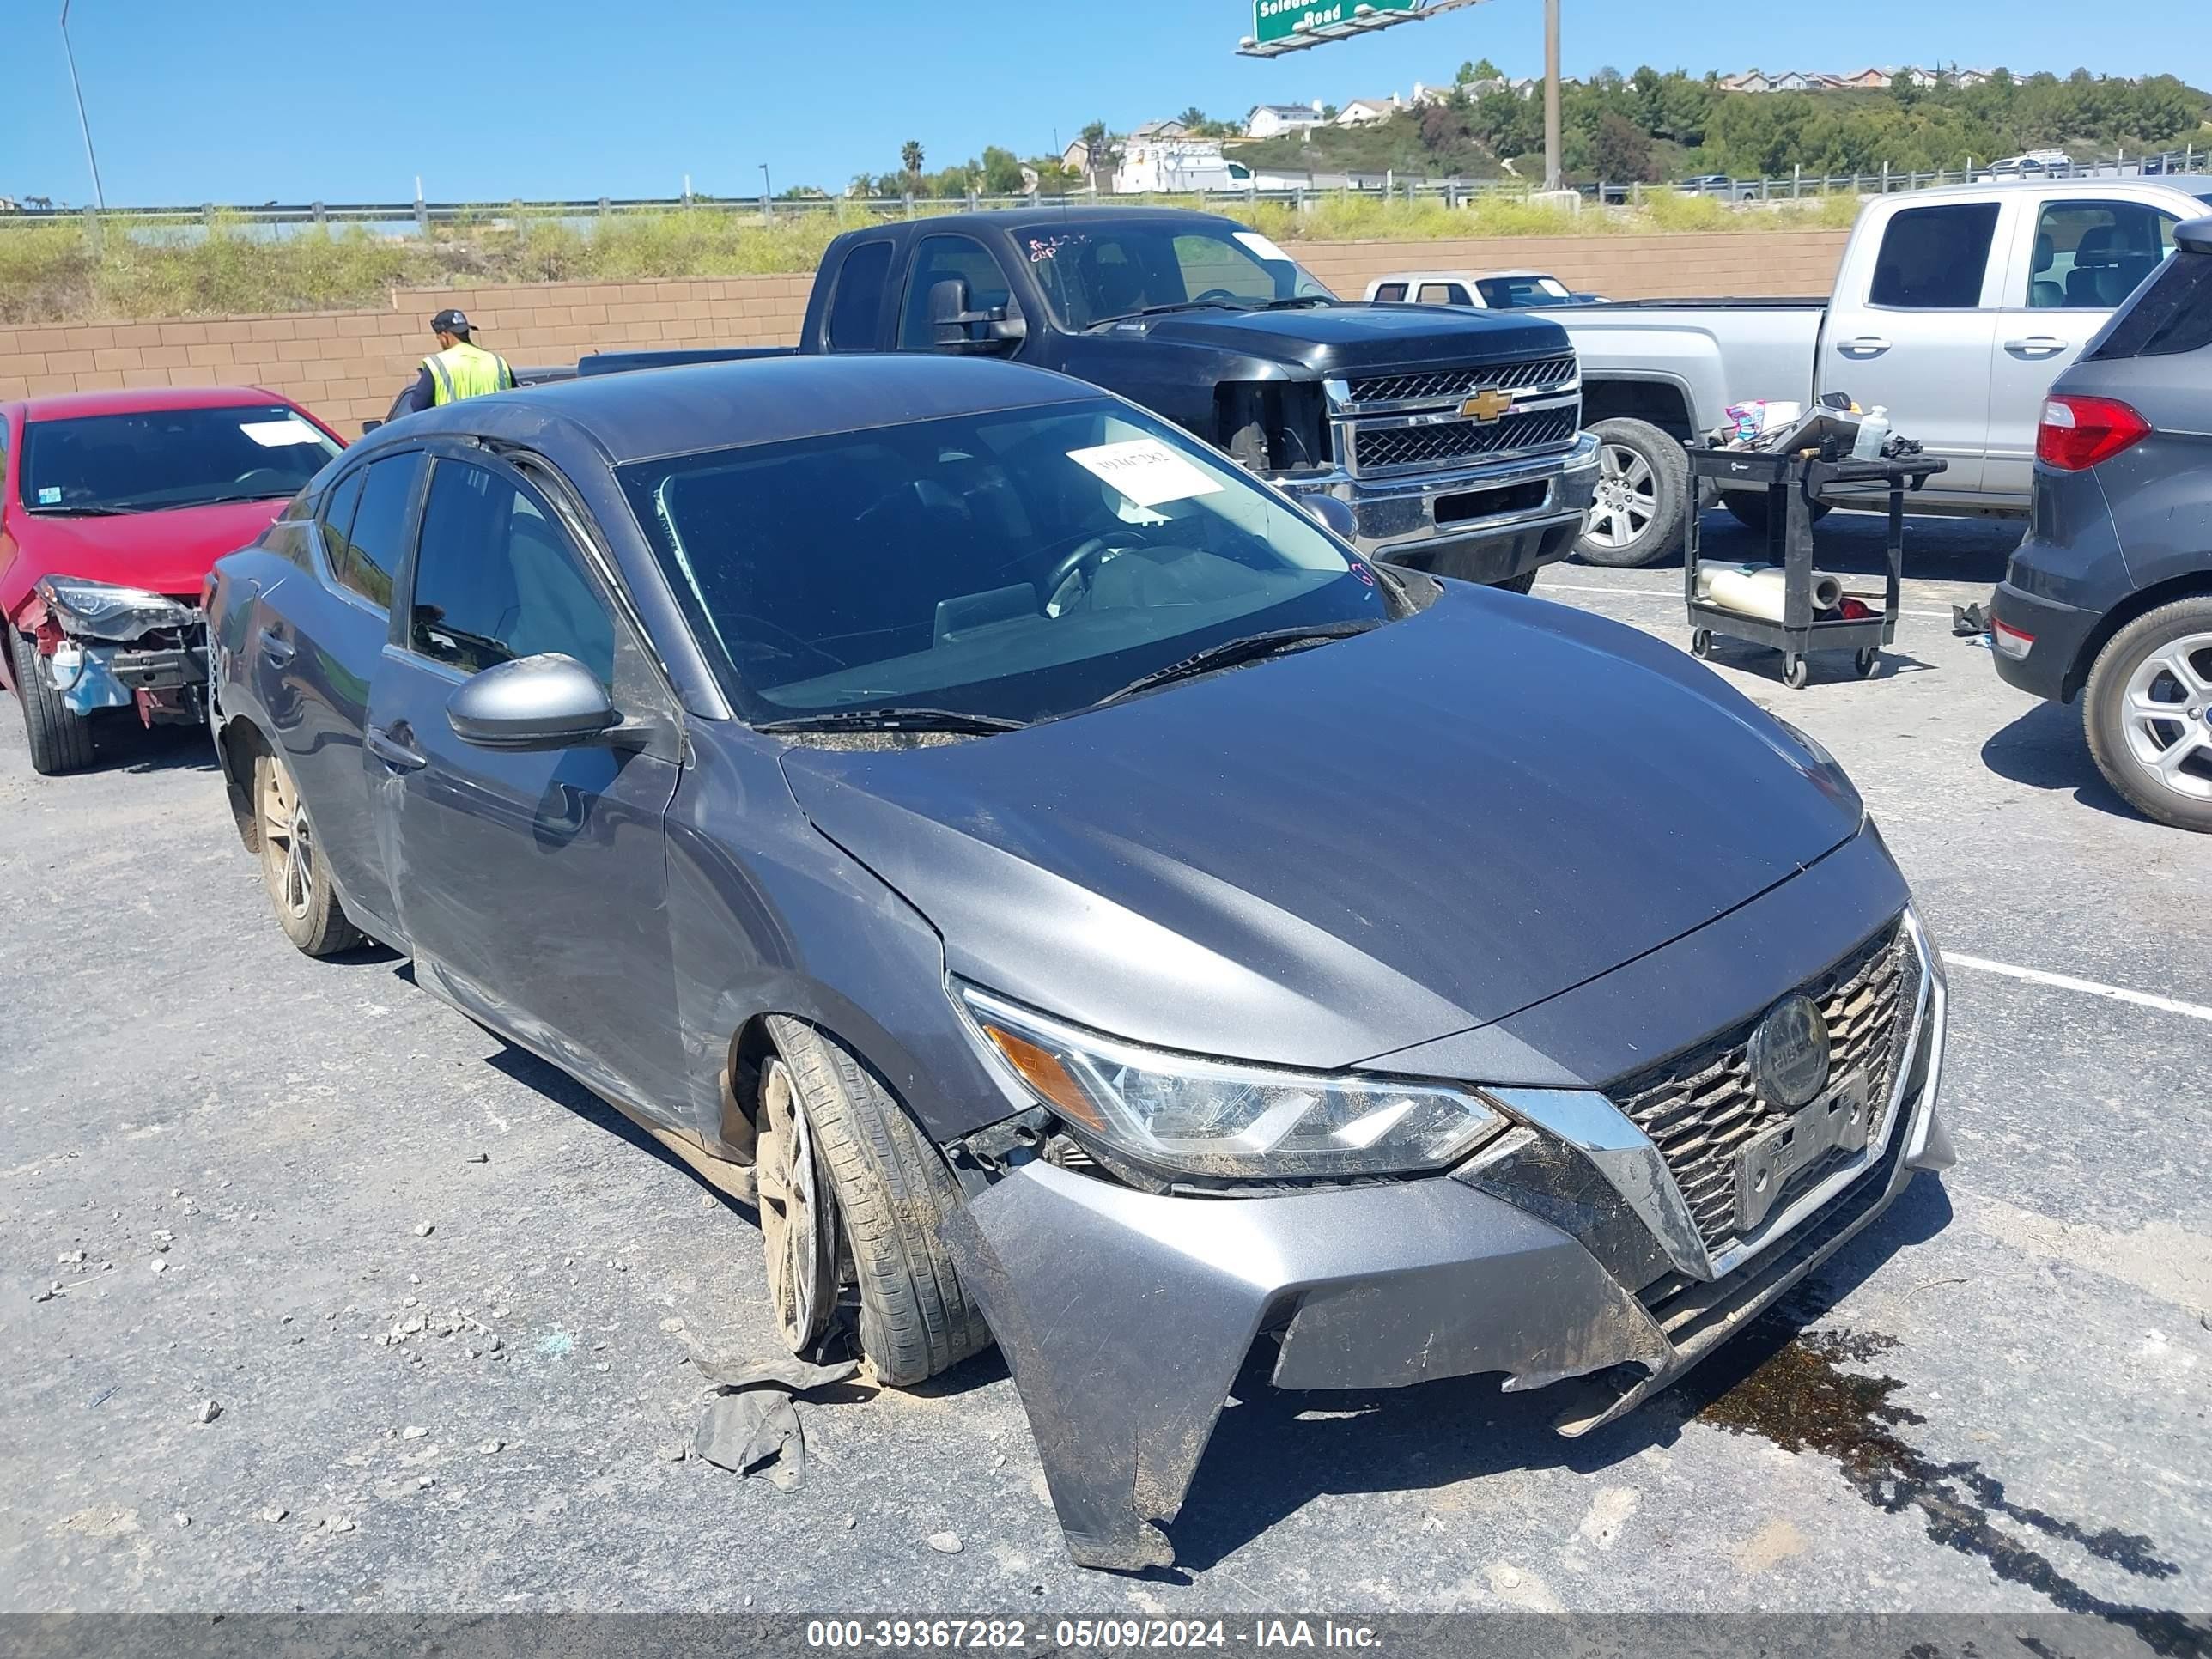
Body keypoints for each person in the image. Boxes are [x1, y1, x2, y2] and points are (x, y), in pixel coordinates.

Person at [391, 308, 515, 416]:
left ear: (445, 335)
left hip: (455, 436)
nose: (438, 340)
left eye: (438, 336)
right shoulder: (497, 361)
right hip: (497, 437)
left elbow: (419, 406)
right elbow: (516, 400)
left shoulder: (438, 364)